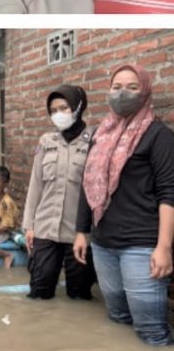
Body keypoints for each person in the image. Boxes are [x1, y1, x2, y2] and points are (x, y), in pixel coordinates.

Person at [74, 64, 174, 346]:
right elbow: (88, 184)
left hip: (141, 246)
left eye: (132, 87)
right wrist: (82, 231)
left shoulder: (158, 136)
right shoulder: (100, 135)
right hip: (103, 245)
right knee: (118, 316)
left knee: (151, 330)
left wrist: (164, 247)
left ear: (145, 92)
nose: (122, 94)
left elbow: (169, 193)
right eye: (116, 87)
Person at [23, 84, 96, 300]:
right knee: (39, 291)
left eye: (64, 108)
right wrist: (29, 225)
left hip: (79, 232)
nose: (58, 114)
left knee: (79, 294)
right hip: (45, 227)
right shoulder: (47, 141)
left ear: (78, 106)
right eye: (53, 110)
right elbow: (35, 184)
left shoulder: (94, 140)